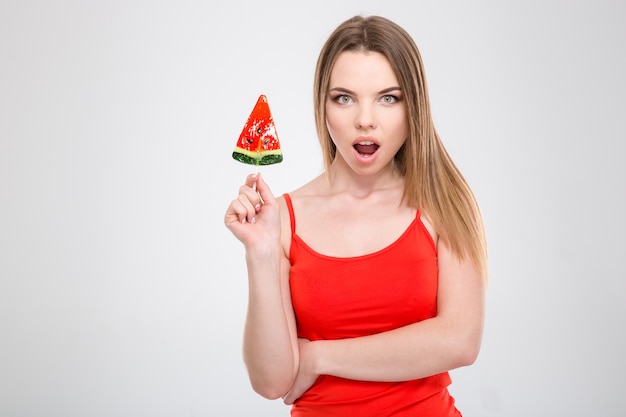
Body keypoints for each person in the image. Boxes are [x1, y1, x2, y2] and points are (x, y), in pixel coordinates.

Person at [224, 14, 488, 416]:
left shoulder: (444, 202)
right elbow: (271, 381)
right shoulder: (284, 219)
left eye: (388, 97)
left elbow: (460, 342)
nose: (366, 119)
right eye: (344, 98)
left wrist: (318, 357)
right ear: (323, 105)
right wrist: (260, 254)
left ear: (412, 106)